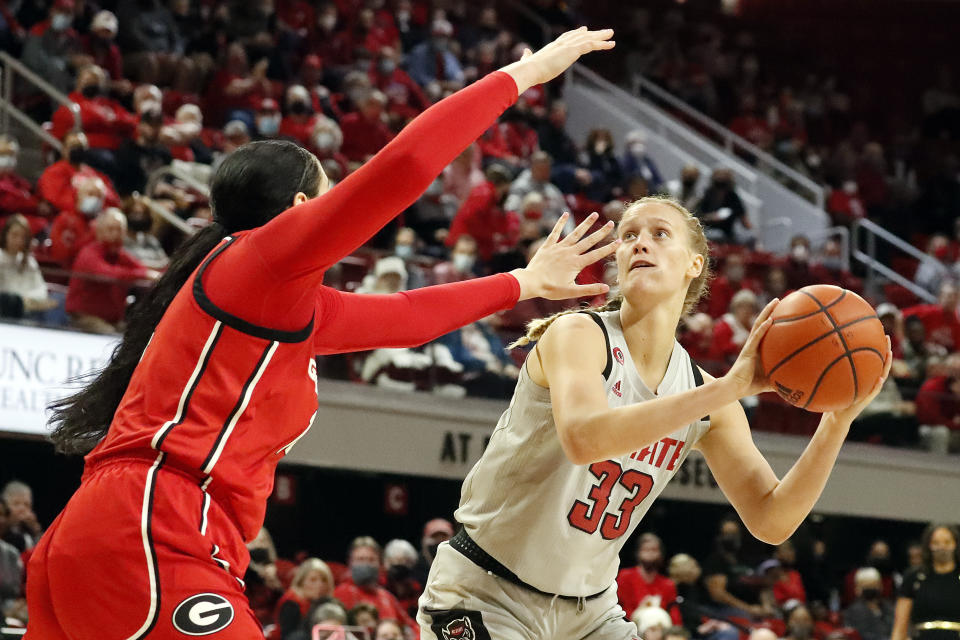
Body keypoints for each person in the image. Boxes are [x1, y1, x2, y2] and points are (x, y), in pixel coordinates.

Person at [25, 28, 618, 640]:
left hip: (117, 528)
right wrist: (528, 73)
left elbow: (410, 318)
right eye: (330, 196)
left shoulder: (277, 304)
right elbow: (404, 168)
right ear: (303, 205)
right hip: (155, 522)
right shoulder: (259, 259)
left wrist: (523, 282)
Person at [417, 195, 892, 639]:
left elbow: (771, 520)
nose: (640, 241)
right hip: (485, 590)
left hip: (591, 615)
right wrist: (729, 388)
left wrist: (836, 422)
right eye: (629, 235)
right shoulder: (578, 333)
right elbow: (585, 439)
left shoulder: (709, 398)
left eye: (660, 233)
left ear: (694, 265)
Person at [64, 208, 154, 334]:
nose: (116, 234)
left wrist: (150, 275)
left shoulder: (121, 255)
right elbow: (108, 274)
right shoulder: (89, 254)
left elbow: (143, 270)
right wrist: (144, 275)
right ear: (99, 232)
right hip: (84, 318)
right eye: (111, 229)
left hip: (114, 320)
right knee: (110, 336)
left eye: (120, 230)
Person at [334, 537, 416, 634]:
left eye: (371, 560)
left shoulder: (387, 597)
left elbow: (413, 628)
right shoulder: (340, 594)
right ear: (350, 562)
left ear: (380, 564)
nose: (366, 564)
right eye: (360, 559)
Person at [892, 523, 960, 640]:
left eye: (947, 542)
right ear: (929, 545)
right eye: (936, 543)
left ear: (955, 544)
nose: (941, 547)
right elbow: (900, 626)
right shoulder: (914, 577)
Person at [0, 215, 57, 318]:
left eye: (23, 237)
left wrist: (26, 300)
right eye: (14, 235)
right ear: (5, 234)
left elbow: (42, 290)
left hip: (29, 311)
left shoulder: (29, 261)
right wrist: (22, 302)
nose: (18, 241)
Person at [617, 533, 681, 623]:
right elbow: (616, 608)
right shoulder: (625, 576)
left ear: (661, 554)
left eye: (654, 549)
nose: (650, 553)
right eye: (645, 549)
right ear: (638, 553)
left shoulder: (668, 584)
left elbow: (675, 617)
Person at [274, 558, 335, 640]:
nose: (320, 585)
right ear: (301, 582)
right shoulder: (290, 604)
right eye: (313, 580)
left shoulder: (326, 603)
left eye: (324, 580)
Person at [844, 567, 894, 640]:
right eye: (867, 586)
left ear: (880, 586)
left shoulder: (888, 607)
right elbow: (864, 635)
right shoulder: (853, 612)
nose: (871, 589)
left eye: (874, 585)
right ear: (857, 588)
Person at [1, 481, 41, 552]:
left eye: (26, 504)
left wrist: (36, 532)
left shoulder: (32, 530)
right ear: (4, 506)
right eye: (16, 504)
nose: (22, 509)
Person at [414, 518, 455, 585]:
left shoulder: (459, 558)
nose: (439, 540)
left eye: (443, 536)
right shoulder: (418, 563)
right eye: (435, 536)